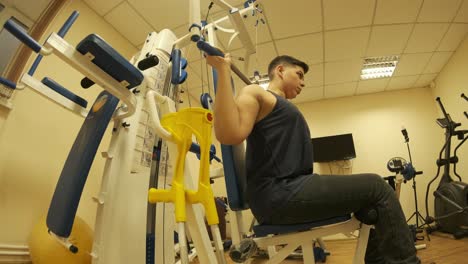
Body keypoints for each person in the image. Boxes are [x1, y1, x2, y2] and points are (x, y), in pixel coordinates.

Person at [206, 53, 420, 264]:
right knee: (377, 185)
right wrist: (223, 71)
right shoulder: (257, 93)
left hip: (288, 190)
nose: (303, 82)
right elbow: (228, 134)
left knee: (371, 210)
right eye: (299, 74)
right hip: (280, 193)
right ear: (280, 71)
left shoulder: (279, 104)